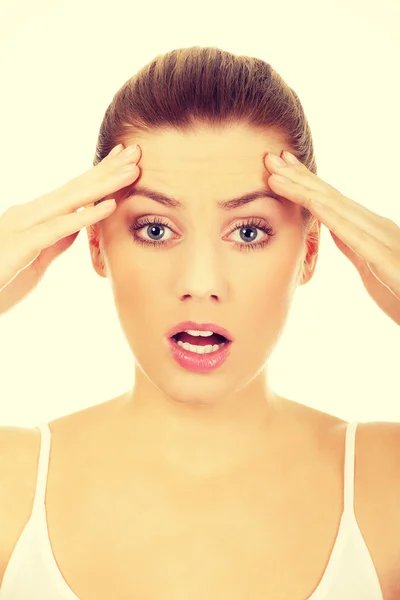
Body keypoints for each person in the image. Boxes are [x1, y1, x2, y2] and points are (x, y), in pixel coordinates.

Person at [0, 46, 399, 600]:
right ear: (95, 244)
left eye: (249, 231)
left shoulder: (387, 487)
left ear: (310, 252)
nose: (201, 281)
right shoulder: (11, 488)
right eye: (157, 229)